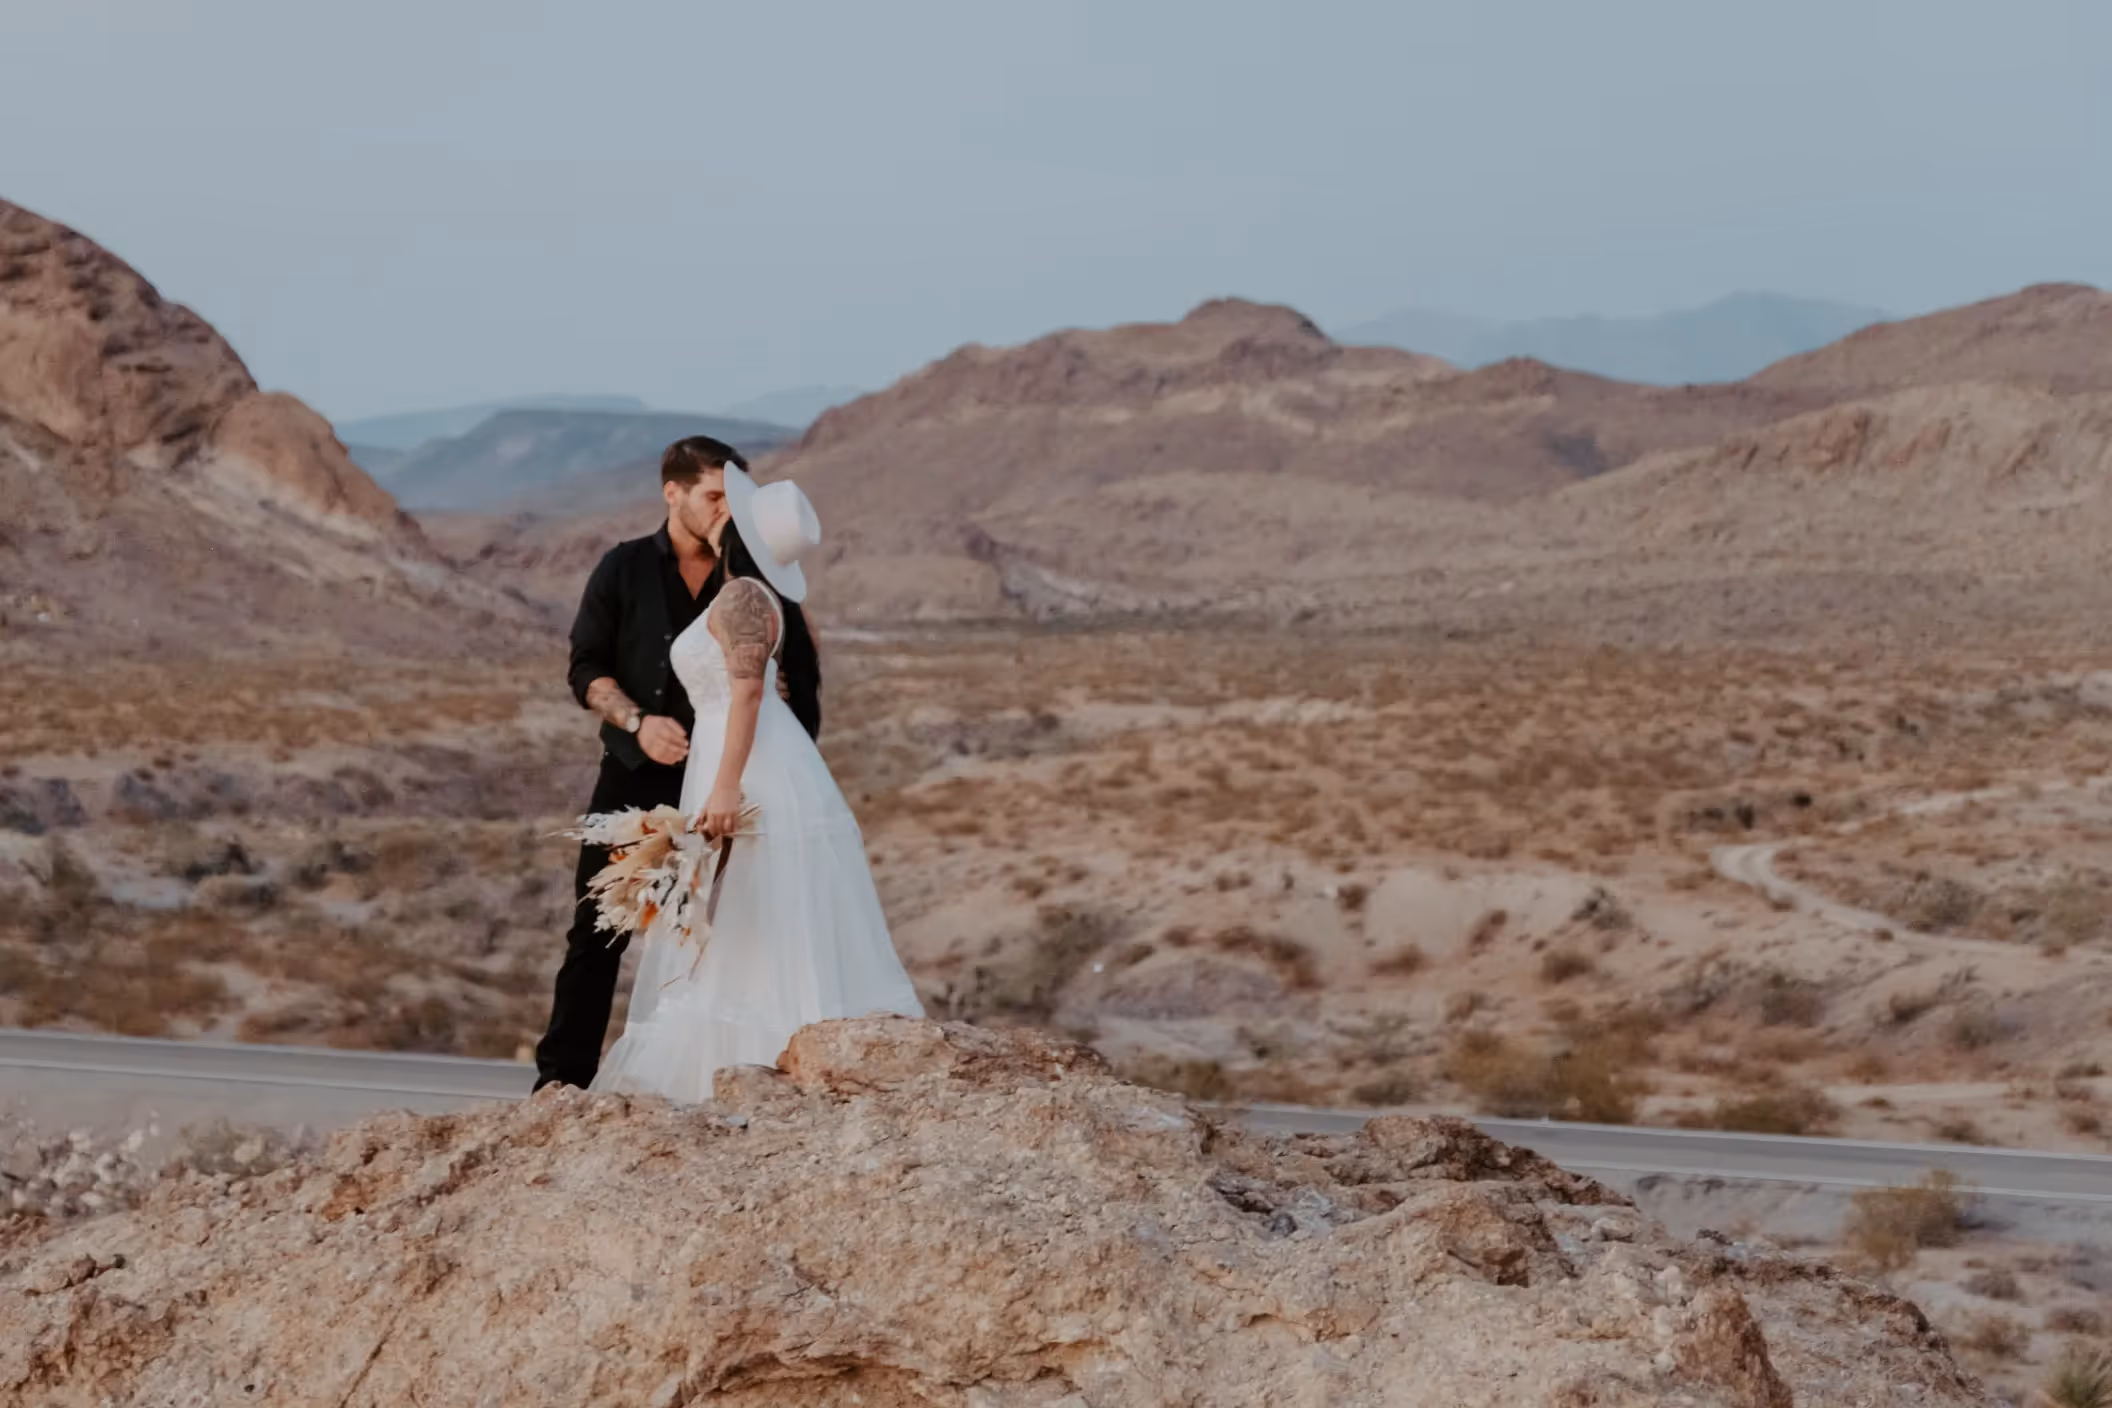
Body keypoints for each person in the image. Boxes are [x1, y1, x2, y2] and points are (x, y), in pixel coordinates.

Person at [589, 463, 924, 1101]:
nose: (716, 514)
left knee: (755, 917)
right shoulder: (761, 597)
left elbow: (745, 697)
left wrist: (723, 788)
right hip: (749, 761)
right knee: (750, 923)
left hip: (747, 769)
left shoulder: (743, 596)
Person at [532, 435, 812, 1091]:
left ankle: (714, 1078)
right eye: (714, 496)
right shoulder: (622, 569)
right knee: (598, 929)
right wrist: (636, 722)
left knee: (726, 936)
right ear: (673, 493)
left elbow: (794, 683)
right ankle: (559, 1086)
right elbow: (584, 668)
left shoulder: (749, 582)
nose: (725, 511)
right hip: (636, 780)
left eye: (733, 499)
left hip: (726, 789)